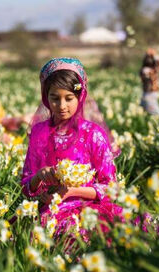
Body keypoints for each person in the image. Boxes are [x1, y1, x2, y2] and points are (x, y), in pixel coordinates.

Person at [21, 58, 122, 237]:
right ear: (46, 98)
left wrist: (70, 192)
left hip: (90, 209)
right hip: (52, 211)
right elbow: (26, 189)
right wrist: (38, 177)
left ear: (80, 96)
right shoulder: (39, 132)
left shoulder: (93, 134)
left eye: (69, 98)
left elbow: (111, 188)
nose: (61, 106)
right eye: (54, 98)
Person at [140, 48, 159, 116]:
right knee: (158, 115)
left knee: (147, 115)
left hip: (149, 96)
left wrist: (154, 55)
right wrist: (155, 56)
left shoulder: (146, 70)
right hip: (149, 96)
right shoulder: (146, 71)